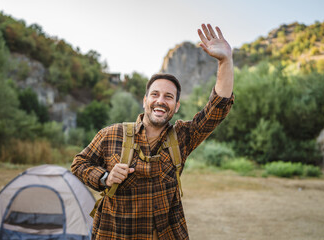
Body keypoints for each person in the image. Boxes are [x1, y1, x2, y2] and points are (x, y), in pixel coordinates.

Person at [71, 23, 235, 240]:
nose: (161, 101)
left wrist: (225, 61)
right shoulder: (111, 134)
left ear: (176, 106)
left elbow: (218, 108)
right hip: (113, 234)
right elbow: (78, 164)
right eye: (155, 94)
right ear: (145, 101)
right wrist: (105, 177)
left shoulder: (183, 137)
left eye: (169, 97)